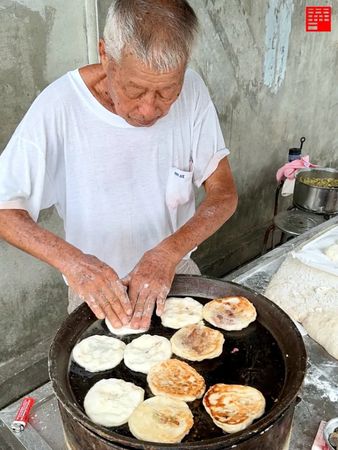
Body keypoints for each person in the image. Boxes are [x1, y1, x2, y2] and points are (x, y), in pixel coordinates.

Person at [0, 0, 238, 331]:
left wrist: (168, 254)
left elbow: (223, 193)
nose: (148, 109)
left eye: (167, 92)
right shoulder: (60, 107)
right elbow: (5, 211)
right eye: (135, 90)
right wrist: (76, 264)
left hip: (174, 273)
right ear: (104, 54)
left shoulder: (194, 91)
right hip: (96, 289)